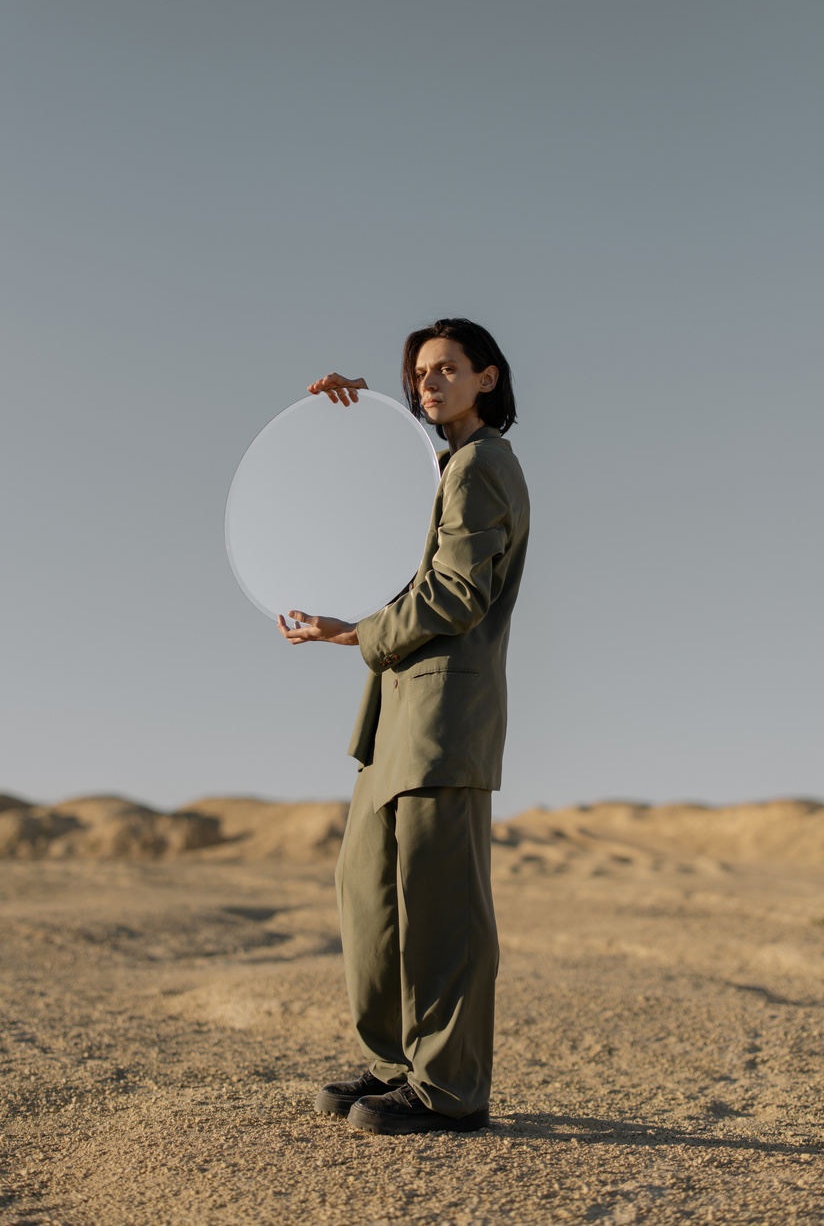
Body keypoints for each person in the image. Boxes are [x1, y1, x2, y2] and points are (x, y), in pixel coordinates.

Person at [277, 318, 529, 1135]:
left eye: (448, 368)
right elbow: (380, 513)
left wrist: (356, 633)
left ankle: (450, 1089)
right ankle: (395, 1065)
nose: (430, 382)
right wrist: (353, 422)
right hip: (393, 716)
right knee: (371, 896)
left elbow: (457, 593)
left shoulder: (483, 465)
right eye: (419, 373)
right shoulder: (440, 468)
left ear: (487, 378)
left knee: (439, 905)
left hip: (444, 717)